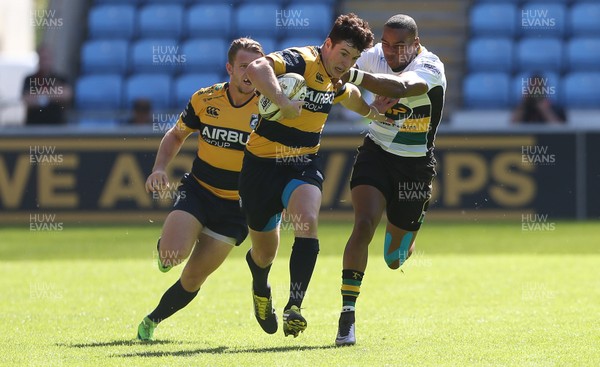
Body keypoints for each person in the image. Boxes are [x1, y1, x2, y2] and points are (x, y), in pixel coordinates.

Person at [240, 13, 392, 338]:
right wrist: (281, 100)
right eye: (343, 54)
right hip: (260, 167)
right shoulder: (302, 59)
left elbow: (346, 93)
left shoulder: (336, 75)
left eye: (353, 58)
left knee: (307, 222)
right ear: (328, 44)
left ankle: (295, 305)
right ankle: (259, 280)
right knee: (264, 252)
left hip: (303, 164)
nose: (346, 63)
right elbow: (256, 68)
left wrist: (371, 111)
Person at [136, 38, 265, 341]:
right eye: (244, 66)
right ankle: (164, 251)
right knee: (172, 255)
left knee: (193, 278)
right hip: (200, 192)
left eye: (257, 66)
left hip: (237, 208)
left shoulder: (269, 107)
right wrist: (158, 169)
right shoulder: (205, 99)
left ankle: (152, 320)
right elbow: (176, 135)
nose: (250, 72)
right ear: (230, 68)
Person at [333, 14, 447, 346]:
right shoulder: (374, 57)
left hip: (414, 168)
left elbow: (401, 87)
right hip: (376, 153)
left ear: (416, 43)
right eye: (386, 45)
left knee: (394, 259)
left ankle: (407, 239)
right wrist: (347, 88)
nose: (392, 53)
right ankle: (347, 315)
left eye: (400, 46)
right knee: (363, 224)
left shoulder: (431, 66)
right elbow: (336, 77)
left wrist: (354, 76)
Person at [22, 45, 73, 125]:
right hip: (33, 127)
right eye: (43, 58)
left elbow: (66, 95)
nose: (45, 62)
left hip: (56, 127)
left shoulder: (61, 78)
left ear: (52, 59)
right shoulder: (29, 79)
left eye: (47, 58)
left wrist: (40, 96)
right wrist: (54, 94)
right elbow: (27, 99)